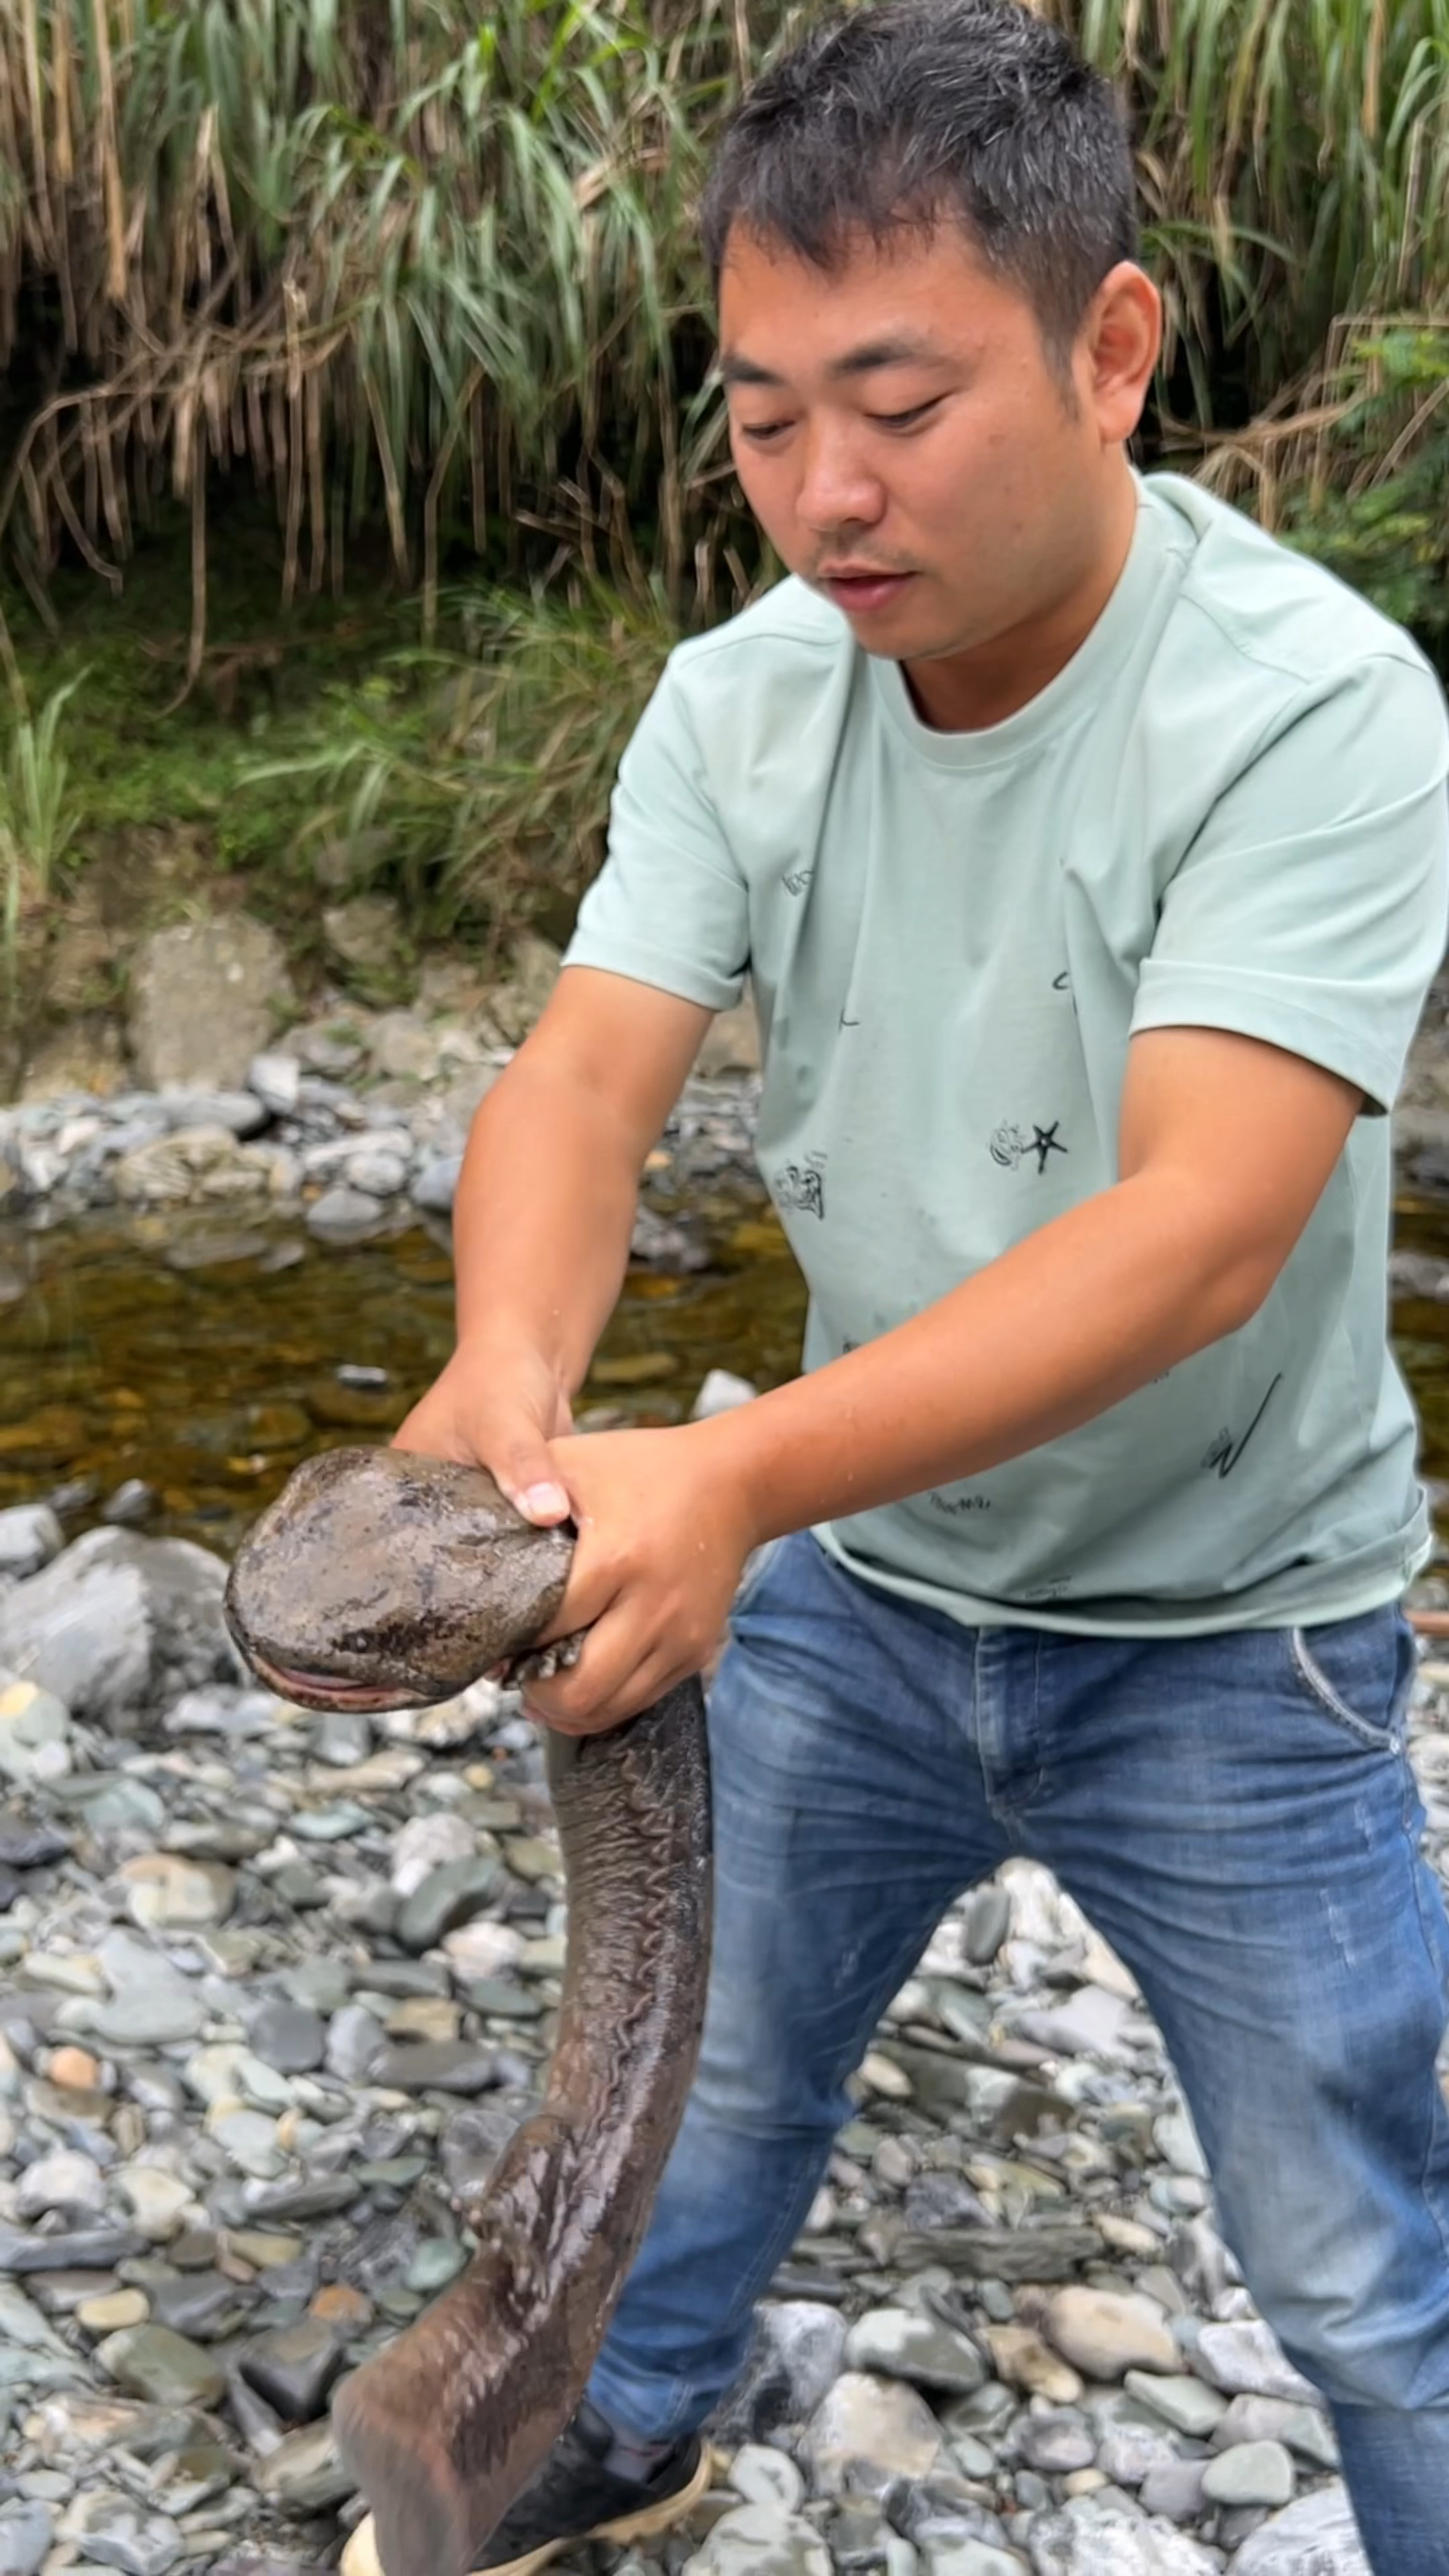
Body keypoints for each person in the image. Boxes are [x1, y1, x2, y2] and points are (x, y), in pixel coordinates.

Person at [384, 3, 1449, 2569]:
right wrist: (508, 1380)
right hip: (865, 1588)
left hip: (1237, 1633)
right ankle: (621, 2431)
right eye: (762, 418)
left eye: (900, 400)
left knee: (1356, 2269)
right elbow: (579, 1082)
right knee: (711, 2085)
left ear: (1112, 351)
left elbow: (1201, 1235)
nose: (827, 495)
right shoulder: (748, 704)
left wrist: (726, 1473)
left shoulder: (1309, 708)